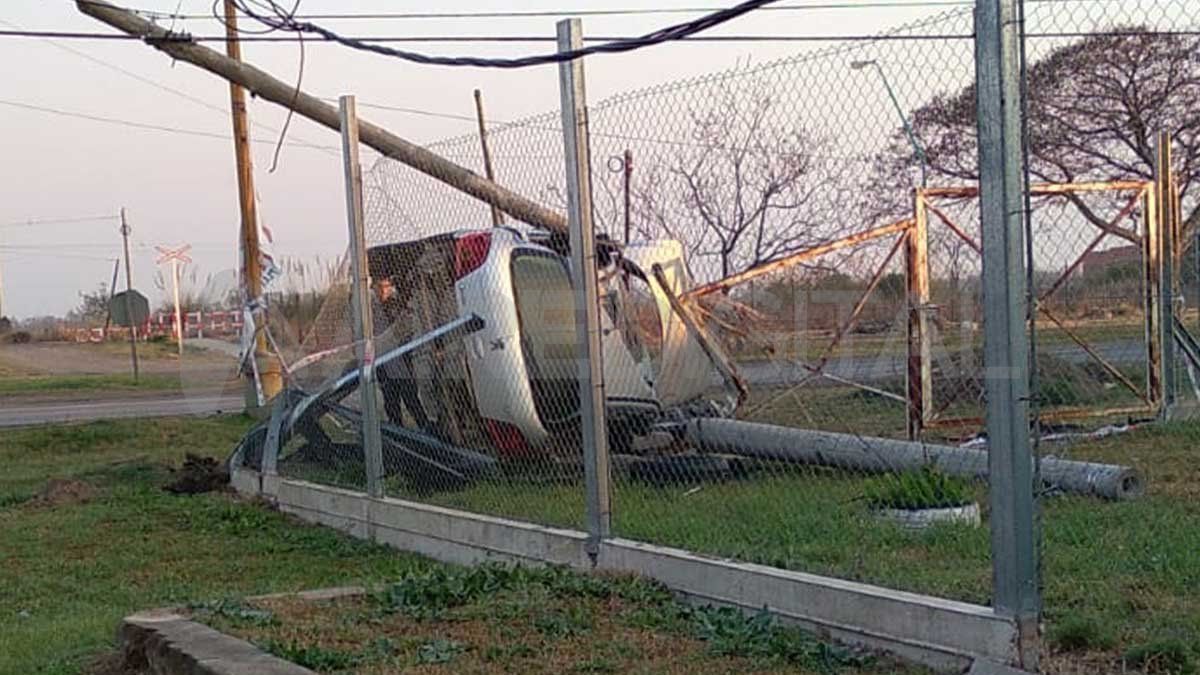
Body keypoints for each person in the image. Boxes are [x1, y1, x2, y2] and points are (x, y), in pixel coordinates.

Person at [372, 275, 433, 434]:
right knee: (390, 400)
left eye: (385, 287)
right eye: (379, 288)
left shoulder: (397, 306)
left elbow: (405, 331)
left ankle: (425, 426)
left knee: (410, 397)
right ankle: (397, 429)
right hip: (384, 363)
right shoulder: (372, 311)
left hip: (401, 361)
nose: (382, 291)